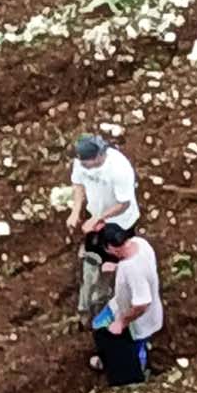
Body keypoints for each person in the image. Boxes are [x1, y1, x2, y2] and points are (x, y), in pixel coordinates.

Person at [66, 129, 140, 321]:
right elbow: (78, 184)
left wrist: (99, 217)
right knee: (91, 261)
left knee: (111, 265)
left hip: (120, 223)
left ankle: (104, 297)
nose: (82, 165)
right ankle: (84, 306)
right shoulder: (81, 163)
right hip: (96, 220)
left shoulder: (119, 169)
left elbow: (124, 204)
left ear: (99, 155)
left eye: (86, 162)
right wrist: (75, 211)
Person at [93, 227, 164, 387]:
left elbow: (142, 303)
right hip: (122, 305)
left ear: (112, 248)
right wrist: (117, 267)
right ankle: (107, 357)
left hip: (139, 320)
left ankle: (137, 378)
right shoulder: (140, 243)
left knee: (135, 349)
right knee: (99, 324)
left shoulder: (131, 269)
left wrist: (122, 322)